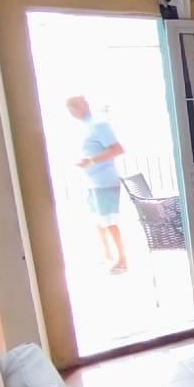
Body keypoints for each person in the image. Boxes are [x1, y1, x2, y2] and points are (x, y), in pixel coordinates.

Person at [66, 95, 128, 274]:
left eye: (74, 106)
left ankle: (122, 259)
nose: (72, 111)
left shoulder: (99, 125)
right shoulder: (86, 127)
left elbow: (118, 149)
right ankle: (107, 255)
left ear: (84, 105)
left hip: (104, 181)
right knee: (98, 221)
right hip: (93, 182)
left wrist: (91, 161)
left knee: (109, 221)